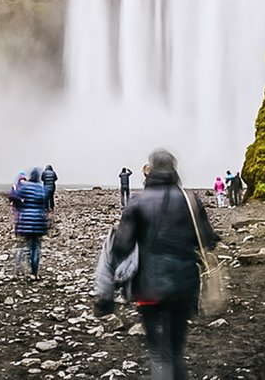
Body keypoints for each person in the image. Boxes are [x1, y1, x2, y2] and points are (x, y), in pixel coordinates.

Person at [100, 148, 218, 380]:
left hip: (148, 287)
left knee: (157, 351)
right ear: (174, 169)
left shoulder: (137, 203)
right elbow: (207, 240)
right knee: (175, 349)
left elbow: (122, 247)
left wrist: (107, 288)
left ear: (150, 170)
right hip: (184, 285)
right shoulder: (190, 201)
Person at [10, 166, 49, 278]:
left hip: (26, 221)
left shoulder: (25, 187)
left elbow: (16, 197)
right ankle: (34, 272)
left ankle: (19, 268)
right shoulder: (41, 188)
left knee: (25, 245)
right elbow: (44, 203)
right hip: (38, 221)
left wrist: (20, 207)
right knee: (35, 247)